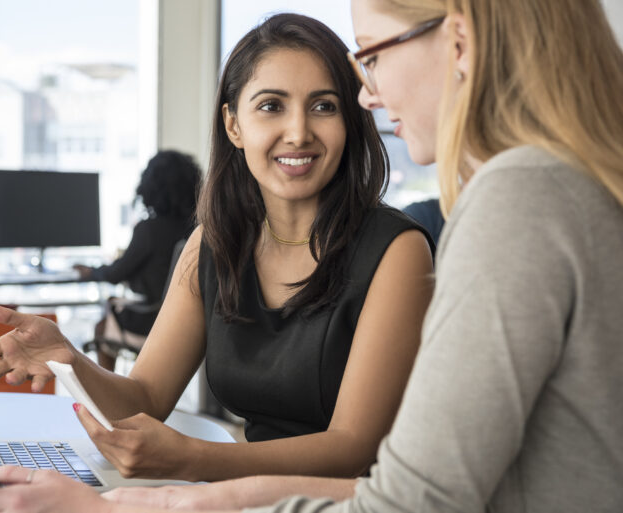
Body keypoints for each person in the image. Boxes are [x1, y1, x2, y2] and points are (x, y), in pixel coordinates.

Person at [83, 0, 622, 512]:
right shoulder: (562, 190)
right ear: (233, 124)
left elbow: (412, 496)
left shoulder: (517, 204)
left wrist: (182, 488)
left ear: (459, 42)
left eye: (372, 56)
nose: (369, 95)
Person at [0, 11, 434, 501]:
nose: (298, 132)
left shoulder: (397, 251)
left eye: (323, 106)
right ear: (233, 124)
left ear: (349, 120)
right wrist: (70, 361)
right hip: (242, 498)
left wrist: (195, 458)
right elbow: (145, 398)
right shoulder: (212, 244)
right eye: (271, 106)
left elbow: (352, 448)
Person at [73, 150, 201, 370]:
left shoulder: (149, 229)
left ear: (151, 186)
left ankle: (106, 395)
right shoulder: (197, 229)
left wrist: (91, 272)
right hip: (184, 321)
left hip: (150, 321)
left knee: (102, 328)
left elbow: (116, 274)